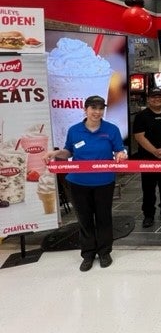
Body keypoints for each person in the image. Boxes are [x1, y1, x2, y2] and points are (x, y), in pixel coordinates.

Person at [43, 95, 126, 272]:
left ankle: (104, 252)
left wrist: (121, 154)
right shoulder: (74, 130)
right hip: (78, 182)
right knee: (84, 218)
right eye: (93, 108)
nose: (97, 112)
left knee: (104, 218)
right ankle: (88, 254)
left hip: (104, 181)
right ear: (85, 109)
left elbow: (119, 149)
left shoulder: (111, 129)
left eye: (100, 108)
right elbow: (68, 152)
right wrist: (55, 154)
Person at [133, 87, 161, 229]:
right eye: (153, 97)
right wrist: (154, 151)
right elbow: (139, 136)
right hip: (148, 158)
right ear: (148, 99)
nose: (157, 99)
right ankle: (148, 214)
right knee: (148, 187)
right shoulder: (142, 116)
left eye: (159, 96)